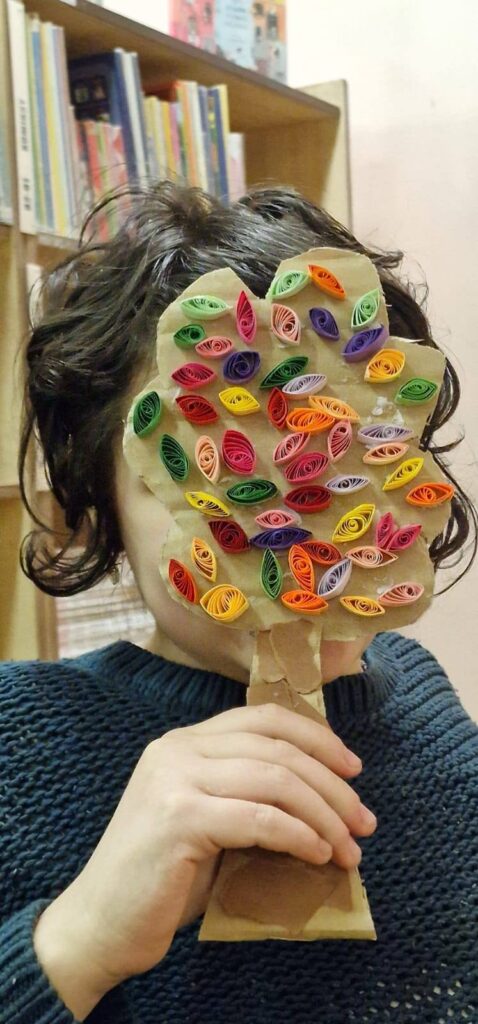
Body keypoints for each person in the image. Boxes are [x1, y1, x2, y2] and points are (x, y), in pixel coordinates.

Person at [1, 181, 477, 1024]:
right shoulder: (22, 743)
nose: (294, 534)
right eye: (191, 465)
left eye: (345, 445)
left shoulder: (427, 701)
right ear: (103, 506)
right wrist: (76, 944)